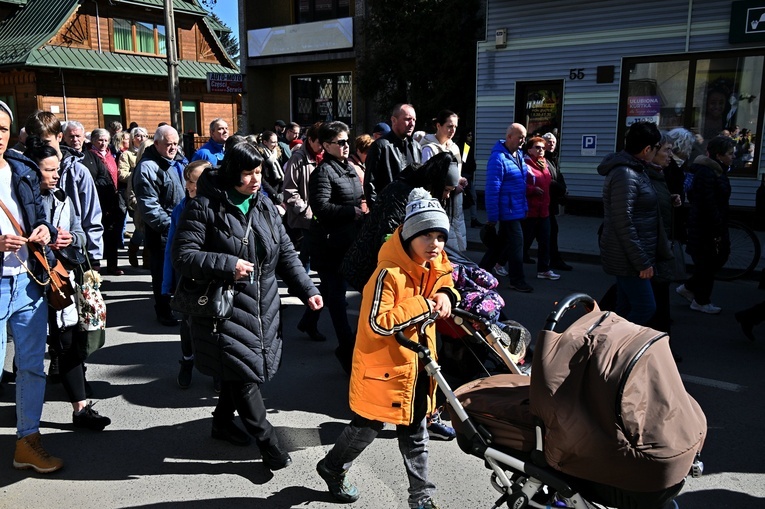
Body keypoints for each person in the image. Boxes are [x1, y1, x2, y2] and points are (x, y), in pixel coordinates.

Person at [172, 141, 323, 468]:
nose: (255, 180)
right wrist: (228, 264)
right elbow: (183, 256)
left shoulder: (264, 205)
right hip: (223, 307)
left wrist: (307, 288)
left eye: (258, 172)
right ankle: (268, 444)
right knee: (244, 375)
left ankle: (222, 423)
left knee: (239, 369)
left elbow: (285, 253)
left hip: (263, 304)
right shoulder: (203, 207)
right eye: (248, 173)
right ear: (231, 173)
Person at [316, 188, 458, 509]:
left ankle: (421, 498)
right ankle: (333, 466)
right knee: (366, 430)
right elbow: (378, 323)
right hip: (383, 372)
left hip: (418, 369)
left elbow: (447, 279)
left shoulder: (436, 265)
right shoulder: (387, 274)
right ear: (409, 236)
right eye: (427, 235)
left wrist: (447, 294)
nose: (435, 243)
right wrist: (423, 304)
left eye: (440, 236)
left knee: (416, 438)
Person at [24, 136, 111, 431]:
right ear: (33, 171)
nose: (56, 174)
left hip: (62, 278)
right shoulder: (22, 200)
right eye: (49, 170)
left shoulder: (64, 198)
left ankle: (81, 409)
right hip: (30, 282)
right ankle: (26, 415)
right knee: (30, 350)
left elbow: (81, 235)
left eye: (57, 168)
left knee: (69, 341)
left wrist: (71, 238)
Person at [0, 101, 62, 473]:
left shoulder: (21, 167)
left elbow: (41, 218)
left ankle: (28, 440)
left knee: (32, 367)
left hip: (27, 279)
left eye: (3, 130)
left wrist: (45, 231)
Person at [307, 121, 366, 374]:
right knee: (338, 297)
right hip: (329, 244)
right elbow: (320, 207)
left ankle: (307, 321)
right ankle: (346, 348)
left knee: (330, 290)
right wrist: (350, 211)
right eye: (340, 142)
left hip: (349, 241)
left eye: (346, 141)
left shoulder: (349, 168)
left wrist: (363, 205)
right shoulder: (322, 173)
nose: (345, 146)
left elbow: (357, 195)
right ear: (326, 146)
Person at [598, 121, 662, 325]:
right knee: (645, 307)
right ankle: (618, 348)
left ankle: (610, 349)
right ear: (647, 149)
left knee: (623, 308)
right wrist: (641, 261)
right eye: (656, 148)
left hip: (630, 254)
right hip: (627, 256)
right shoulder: (625, 173)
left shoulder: (635, 169)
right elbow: (622, 221)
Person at [26, 112, 104, 270]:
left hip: (70, 259)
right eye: (36, 142)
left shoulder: (78, 171)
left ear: (59, 137)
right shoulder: (24, 171)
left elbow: (91, 217)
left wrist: (93, 258)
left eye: (46, 142)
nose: (41, 147)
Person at [162, 160, 211, 390]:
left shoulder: (220, 204)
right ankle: (187, 360)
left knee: (216, 324)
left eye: (195, 181)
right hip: (188, 276)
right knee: (188, 324)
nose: (190, 186)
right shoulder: (182, 208)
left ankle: (217, 369)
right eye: (188, 181)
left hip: (214, 274)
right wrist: (167, 283)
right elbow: (172, 246)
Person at [133, 125, 187, 326]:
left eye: (175, 143)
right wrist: (169, 227)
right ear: (156, 144)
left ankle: (180, 306)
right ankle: (163, 311)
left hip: (180, 228)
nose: (173, 148)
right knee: (161, 273)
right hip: (161, 232)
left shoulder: (179, 161)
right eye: (168, 144)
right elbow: (149, 206)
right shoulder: (148, 167)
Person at [676, 136, 735, 314]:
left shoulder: (715, 170)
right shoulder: (707, 172)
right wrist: (717, 224)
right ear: (719, 155)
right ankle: (700, 300)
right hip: (706, 227)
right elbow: (707, 203)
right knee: (708, 263)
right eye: (730, 154)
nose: (733, 157)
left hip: (707, 225)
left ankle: (690, 288)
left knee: (712, 261)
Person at [282, 122, 326, 342]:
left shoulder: (326, 157)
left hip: (324, 222)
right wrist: (309, 213)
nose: (323, 147)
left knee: (323, 275)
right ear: (311, 140)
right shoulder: (297, 159)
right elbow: (289, 192)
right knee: (309, 267)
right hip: (305, 223)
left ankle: (309, 319)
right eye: (321, 142)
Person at [483, 123, 532, 293]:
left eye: (524, 138)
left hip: (515, 208)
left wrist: (524, 206)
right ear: (509, 136)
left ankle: (480, 273)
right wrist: (492, 216)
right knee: (517, 243)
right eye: (520, 137)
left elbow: (521, 185)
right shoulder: (498, 158)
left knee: (500, 245)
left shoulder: (518, 155)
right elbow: (492, 188)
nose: (523, 141)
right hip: (507, 210)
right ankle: (517, 280)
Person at [420, 110, 467, 253]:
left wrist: (461, 181)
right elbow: (428, 179)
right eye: (449, 126)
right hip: (440, 202)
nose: (452, 130)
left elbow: (456, 173)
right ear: (438, 126)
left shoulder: (455, 147)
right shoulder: (428, 148)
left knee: (457, 244)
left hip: (456, 204)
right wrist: (451, 187)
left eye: (455, 127)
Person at [364, 104, 422, 206]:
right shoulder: (380, 146)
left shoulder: (416, 147)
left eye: (414, 120)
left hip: (411, 210)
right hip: (388, 212)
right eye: (408, 119)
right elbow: (370, 184)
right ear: (394, 120)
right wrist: (378, 212)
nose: (412, 124)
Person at [522, 136, 559, 281]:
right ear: (530, 149)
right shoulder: (525, 164)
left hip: (544, 210)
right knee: (524, 242)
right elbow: (519, 184)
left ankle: (544, 269)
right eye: (537, 147)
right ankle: (502, 263)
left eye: (543, 148)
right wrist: (532, 189)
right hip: (530, 211)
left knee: (545, 240)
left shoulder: (544, 164)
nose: (541, 150)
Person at [90, 128, 127, 275]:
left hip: (113, 199)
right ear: (93, 141)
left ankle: (113, 265)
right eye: (100, 140)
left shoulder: (111, 155)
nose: (103, 143)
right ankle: (95, 265)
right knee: (97, 232)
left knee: (112, 233)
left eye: (106, 140)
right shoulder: (91, 156)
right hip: (99, 200)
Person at [120, 127, 149, 267]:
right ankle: (133, 249)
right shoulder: (127, 156)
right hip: (139, 203)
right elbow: (122, 175)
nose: (141, 138)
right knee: (140, 230)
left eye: (144, 135)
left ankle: (147, 258)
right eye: (138, 135)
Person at [542, 132, 571, 271]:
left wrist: (563, 190)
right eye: (549, 141)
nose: (552, 144)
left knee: (549, 233)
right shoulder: (541, 159)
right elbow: (549, 181)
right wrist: (562, 189)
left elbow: (558, 177)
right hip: (542, 204)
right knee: (549, 233)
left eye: (554, 141)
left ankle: (550, 261)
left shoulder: (553, 159)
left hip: (549, 204)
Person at [461, 130, 481, 228]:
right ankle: (473, 219)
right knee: (472, 197)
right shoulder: (465, 147)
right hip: (466, 176)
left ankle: (473, 218)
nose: (471, 137)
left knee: (471, 198)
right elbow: (464, 162)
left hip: (467, 176)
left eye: (471, 135)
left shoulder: (468, 146)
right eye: (468, 135)